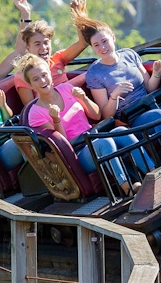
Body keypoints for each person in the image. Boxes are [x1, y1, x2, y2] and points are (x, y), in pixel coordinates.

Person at [17, 53, 149, 195]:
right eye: (36, 79)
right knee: (104, 144)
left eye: (44, 75)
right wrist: (56, 120)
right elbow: (61, 144)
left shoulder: (66, 89)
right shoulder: (35, 113)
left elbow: (96, 115)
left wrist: (84, 98)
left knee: (123, 132)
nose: (42, 80)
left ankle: (153, 172)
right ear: (30, 85)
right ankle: (128, 188)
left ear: (49, 73)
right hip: (76, 153)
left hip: (93, 137)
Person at [73, 15, 161, 159]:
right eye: (96, 45)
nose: (102, 47)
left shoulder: (129, 55)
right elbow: (106, 115)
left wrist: (156, 73)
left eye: (104, 41)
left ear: (113, 38)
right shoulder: (95, 73)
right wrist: (115, 95)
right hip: (132, 120)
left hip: (152, 105)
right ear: (93, 48)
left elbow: (149, 88)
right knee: (158, 117)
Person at [14, 0, 90, 105]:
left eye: (46, 42)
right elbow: (30, 108)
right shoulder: (23, 75)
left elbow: (83, 43)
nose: (43, 48)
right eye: (37, 44)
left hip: (73, 104)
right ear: (28, 48)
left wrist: (79, 15)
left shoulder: (58, 59)